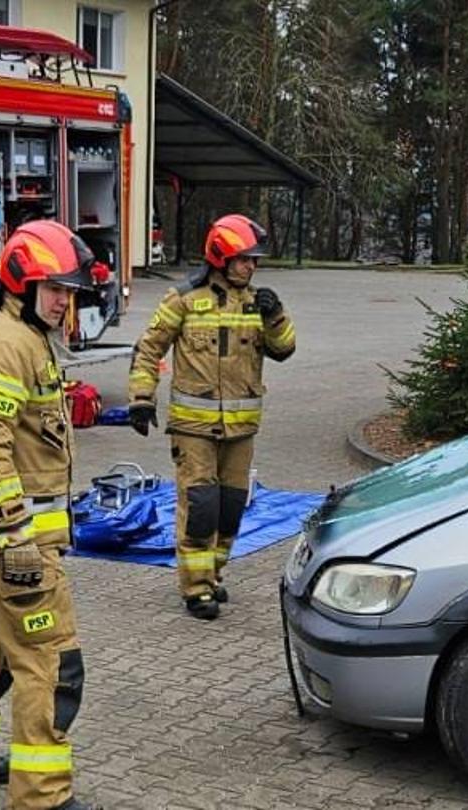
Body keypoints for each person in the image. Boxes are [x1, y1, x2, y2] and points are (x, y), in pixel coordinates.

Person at [0, 221, 97, 810]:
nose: (63, 300)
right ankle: (43, 796)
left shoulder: (23, 337)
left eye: (69, 290)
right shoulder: (10, 343)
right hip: (15, 544)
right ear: (20, 284)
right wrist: (16, 532)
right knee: (51, 663)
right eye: (53, 288)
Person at [124, 213, 296, 619]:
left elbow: (285, 349)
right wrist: (141, 398)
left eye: (254, 260)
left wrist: (276, 317)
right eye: (244, 259)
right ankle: (195, 587)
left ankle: (213, 575)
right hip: (193, 428)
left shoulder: (259, 303)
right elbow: (148, 350)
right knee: (201, 505)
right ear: (221, 257)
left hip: (241, 429)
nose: (251, 267)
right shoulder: (183, 299)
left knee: (230, 507)